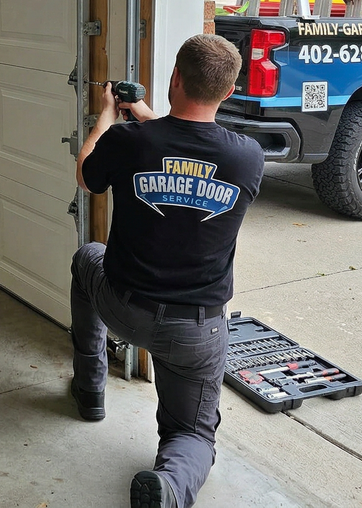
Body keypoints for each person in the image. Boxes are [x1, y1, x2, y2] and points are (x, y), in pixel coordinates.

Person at [70, 34, 264, 508]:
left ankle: (91, 387)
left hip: (123, 306)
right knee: (192, 434)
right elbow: (190, 148)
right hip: (195, 329)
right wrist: (146, 114)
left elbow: (86, 173)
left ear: (176, 78)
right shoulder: (247, 157)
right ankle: (171, 486)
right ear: (228, 91)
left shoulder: (129, 142)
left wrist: (109, 114)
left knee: (85, 259)